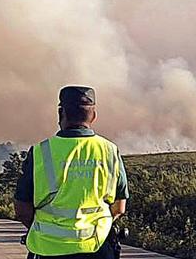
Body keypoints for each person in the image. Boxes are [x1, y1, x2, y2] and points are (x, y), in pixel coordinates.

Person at [14, 86, 129, 259]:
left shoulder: (40, 152)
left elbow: (22, 209)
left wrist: (43, 230)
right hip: (98, 249)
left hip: (48, 250)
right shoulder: (110, 151)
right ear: (94, 116)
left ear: (61, 114)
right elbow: (119, 207)